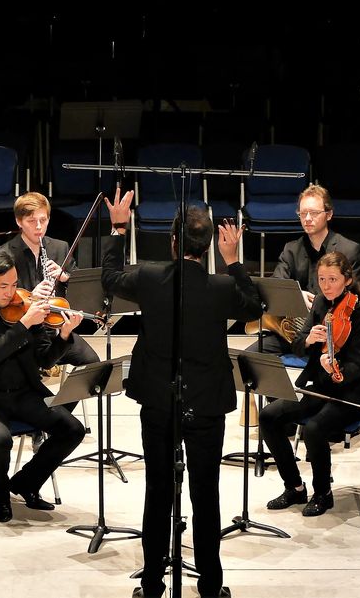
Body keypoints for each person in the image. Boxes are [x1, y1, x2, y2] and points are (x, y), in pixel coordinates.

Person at [102, 191, 261, 598]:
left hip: (159, 400)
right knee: (205, 494)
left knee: (158, 491)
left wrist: (119, 228)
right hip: (206, 402)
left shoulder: (150, 277)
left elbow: (110, 278)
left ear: (173, 243)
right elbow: (254, 306)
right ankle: (210, 587)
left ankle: (153, 585)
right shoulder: (222, 286)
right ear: (207, 246)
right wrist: (234, 260)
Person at [0, 248, 87, 523]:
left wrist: (64, 335)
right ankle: (0, 491)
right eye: (4, 286)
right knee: (0, 439)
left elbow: (45, 360)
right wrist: (23, 325)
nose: (12, 293)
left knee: (72, 429)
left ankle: (26, 482)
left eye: (14, 284)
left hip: (23, 392)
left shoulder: (26, 305)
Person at [259, 251, 360, 517]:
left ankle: (323, 493)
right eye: (322, 279)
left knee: (313, 429)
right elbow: (298, 346)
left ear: (347, 280)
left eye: (332, 279)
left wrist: (337, 370)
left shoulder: (358, 314)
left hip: (352, 394)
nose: (326, 285)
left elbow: (358, 365)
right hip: (321, 387)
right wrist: (309, 340)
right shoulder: (320, 304)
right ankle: (294, 487)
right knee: (268, 416)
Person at [248, 184, 360, 356]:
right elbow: (275, 289)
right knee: (247, 360)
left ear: (329, 214)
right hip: (295, 335)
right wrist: (297, 296)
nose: (308, 218)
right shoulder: (291, 250)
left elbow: (359, 303)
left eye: (314, 213)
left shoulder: (350, 251)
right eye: (303, 213)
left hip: (332, 337)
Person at [0, 191, 100, 370]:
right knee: (24, 370)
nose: (38, 227)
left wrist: (64, 276)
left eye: (43, 220)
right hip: (24, 329)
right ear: (19, 222)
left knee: (92, 364)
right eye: (31, 221)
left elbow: (80, 287)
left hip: (56, 324)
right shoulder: (5, 254)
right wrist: (29, 297)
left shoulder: (60, 247)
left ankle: (64, 400)